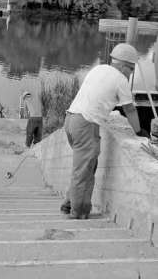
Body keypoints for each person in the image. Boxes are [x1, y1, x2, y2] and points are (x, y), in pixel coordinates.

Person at [60, 43, 148, 219]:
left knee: (84, 168)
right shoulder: (120, 79)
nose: (131, 73)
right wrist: (138, 131)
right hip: (86, 124)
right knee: (84, 170)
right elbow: (130, 110)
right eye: (131, 69)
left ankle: (68, 203)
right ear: (122, 65)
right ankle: (78, 212)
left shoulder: (98, 69)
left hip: (71, 119)